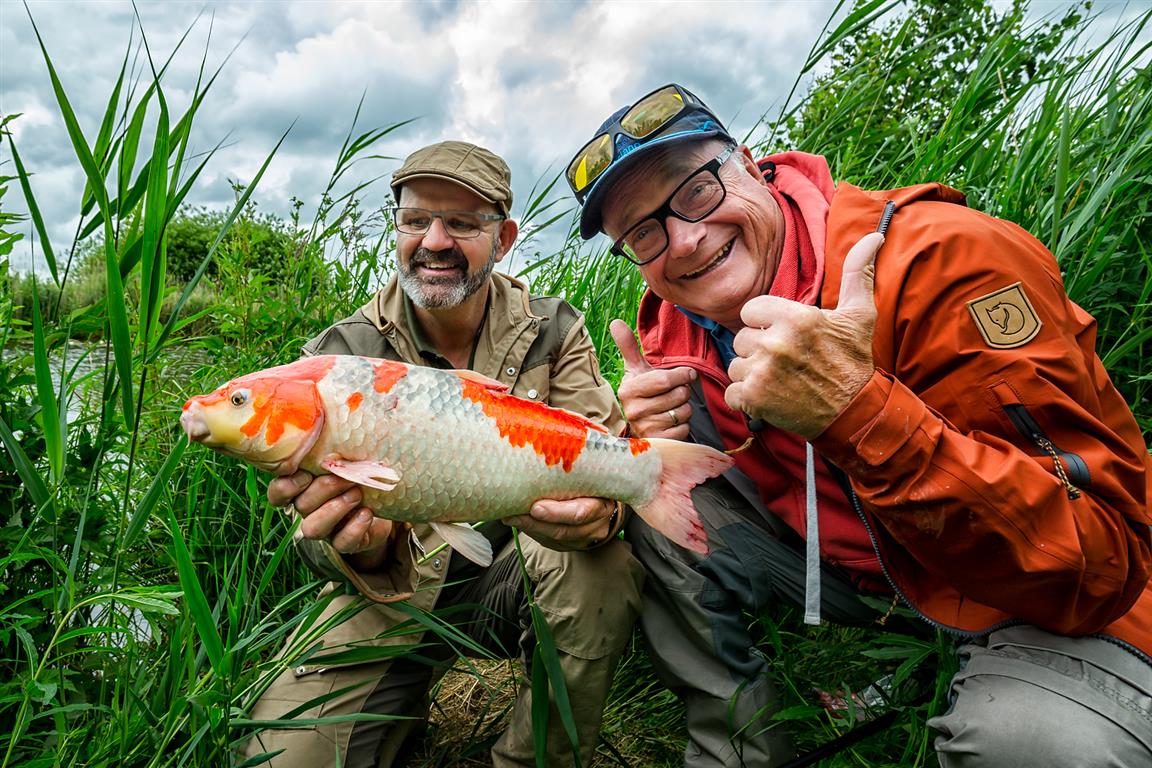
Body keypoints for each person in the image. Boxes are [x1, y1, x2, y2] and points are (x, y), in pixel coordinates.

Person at [566, 83, 1152, 767]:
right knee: (648, 489)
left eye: (696, 189)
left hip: (1063, 591)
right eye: (642, 233)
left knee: (1028, 746)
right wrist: (651, 443)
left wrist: (858, 411)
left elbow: (1104, 561)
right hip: (870, 573)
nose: (686, 239)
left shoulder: (945, 263)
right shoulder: (672, 326)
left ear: (749, 163)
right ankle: (743, 749)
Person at [243, 140, 645, 768]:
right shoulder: (343, 355)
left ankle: (530, 758)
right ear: (396, 228)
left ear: (504, 237)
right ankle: (396, 710)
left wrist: (607, 517)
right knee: (277, 759)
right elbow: (310, 538)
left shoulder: (553, 328)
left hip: (518, 568)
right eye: (414, 220)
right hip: (389, 593)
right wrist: (362, 547)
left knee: (603, 568)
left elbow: (606, 463)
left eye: (461, 223)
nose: (433, 241)